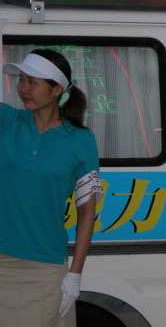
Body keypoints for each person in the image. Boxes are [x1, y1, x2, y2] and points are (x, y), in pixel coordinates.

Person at [0, 49, 101, 327]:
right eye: (21, 80)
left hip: (43, 268)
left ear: (56, 89)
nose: (23, 89)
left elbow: (87, 211)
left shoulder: (81, 141)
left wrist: (75, 274)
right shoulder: (6, 120)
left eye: (32, 82)